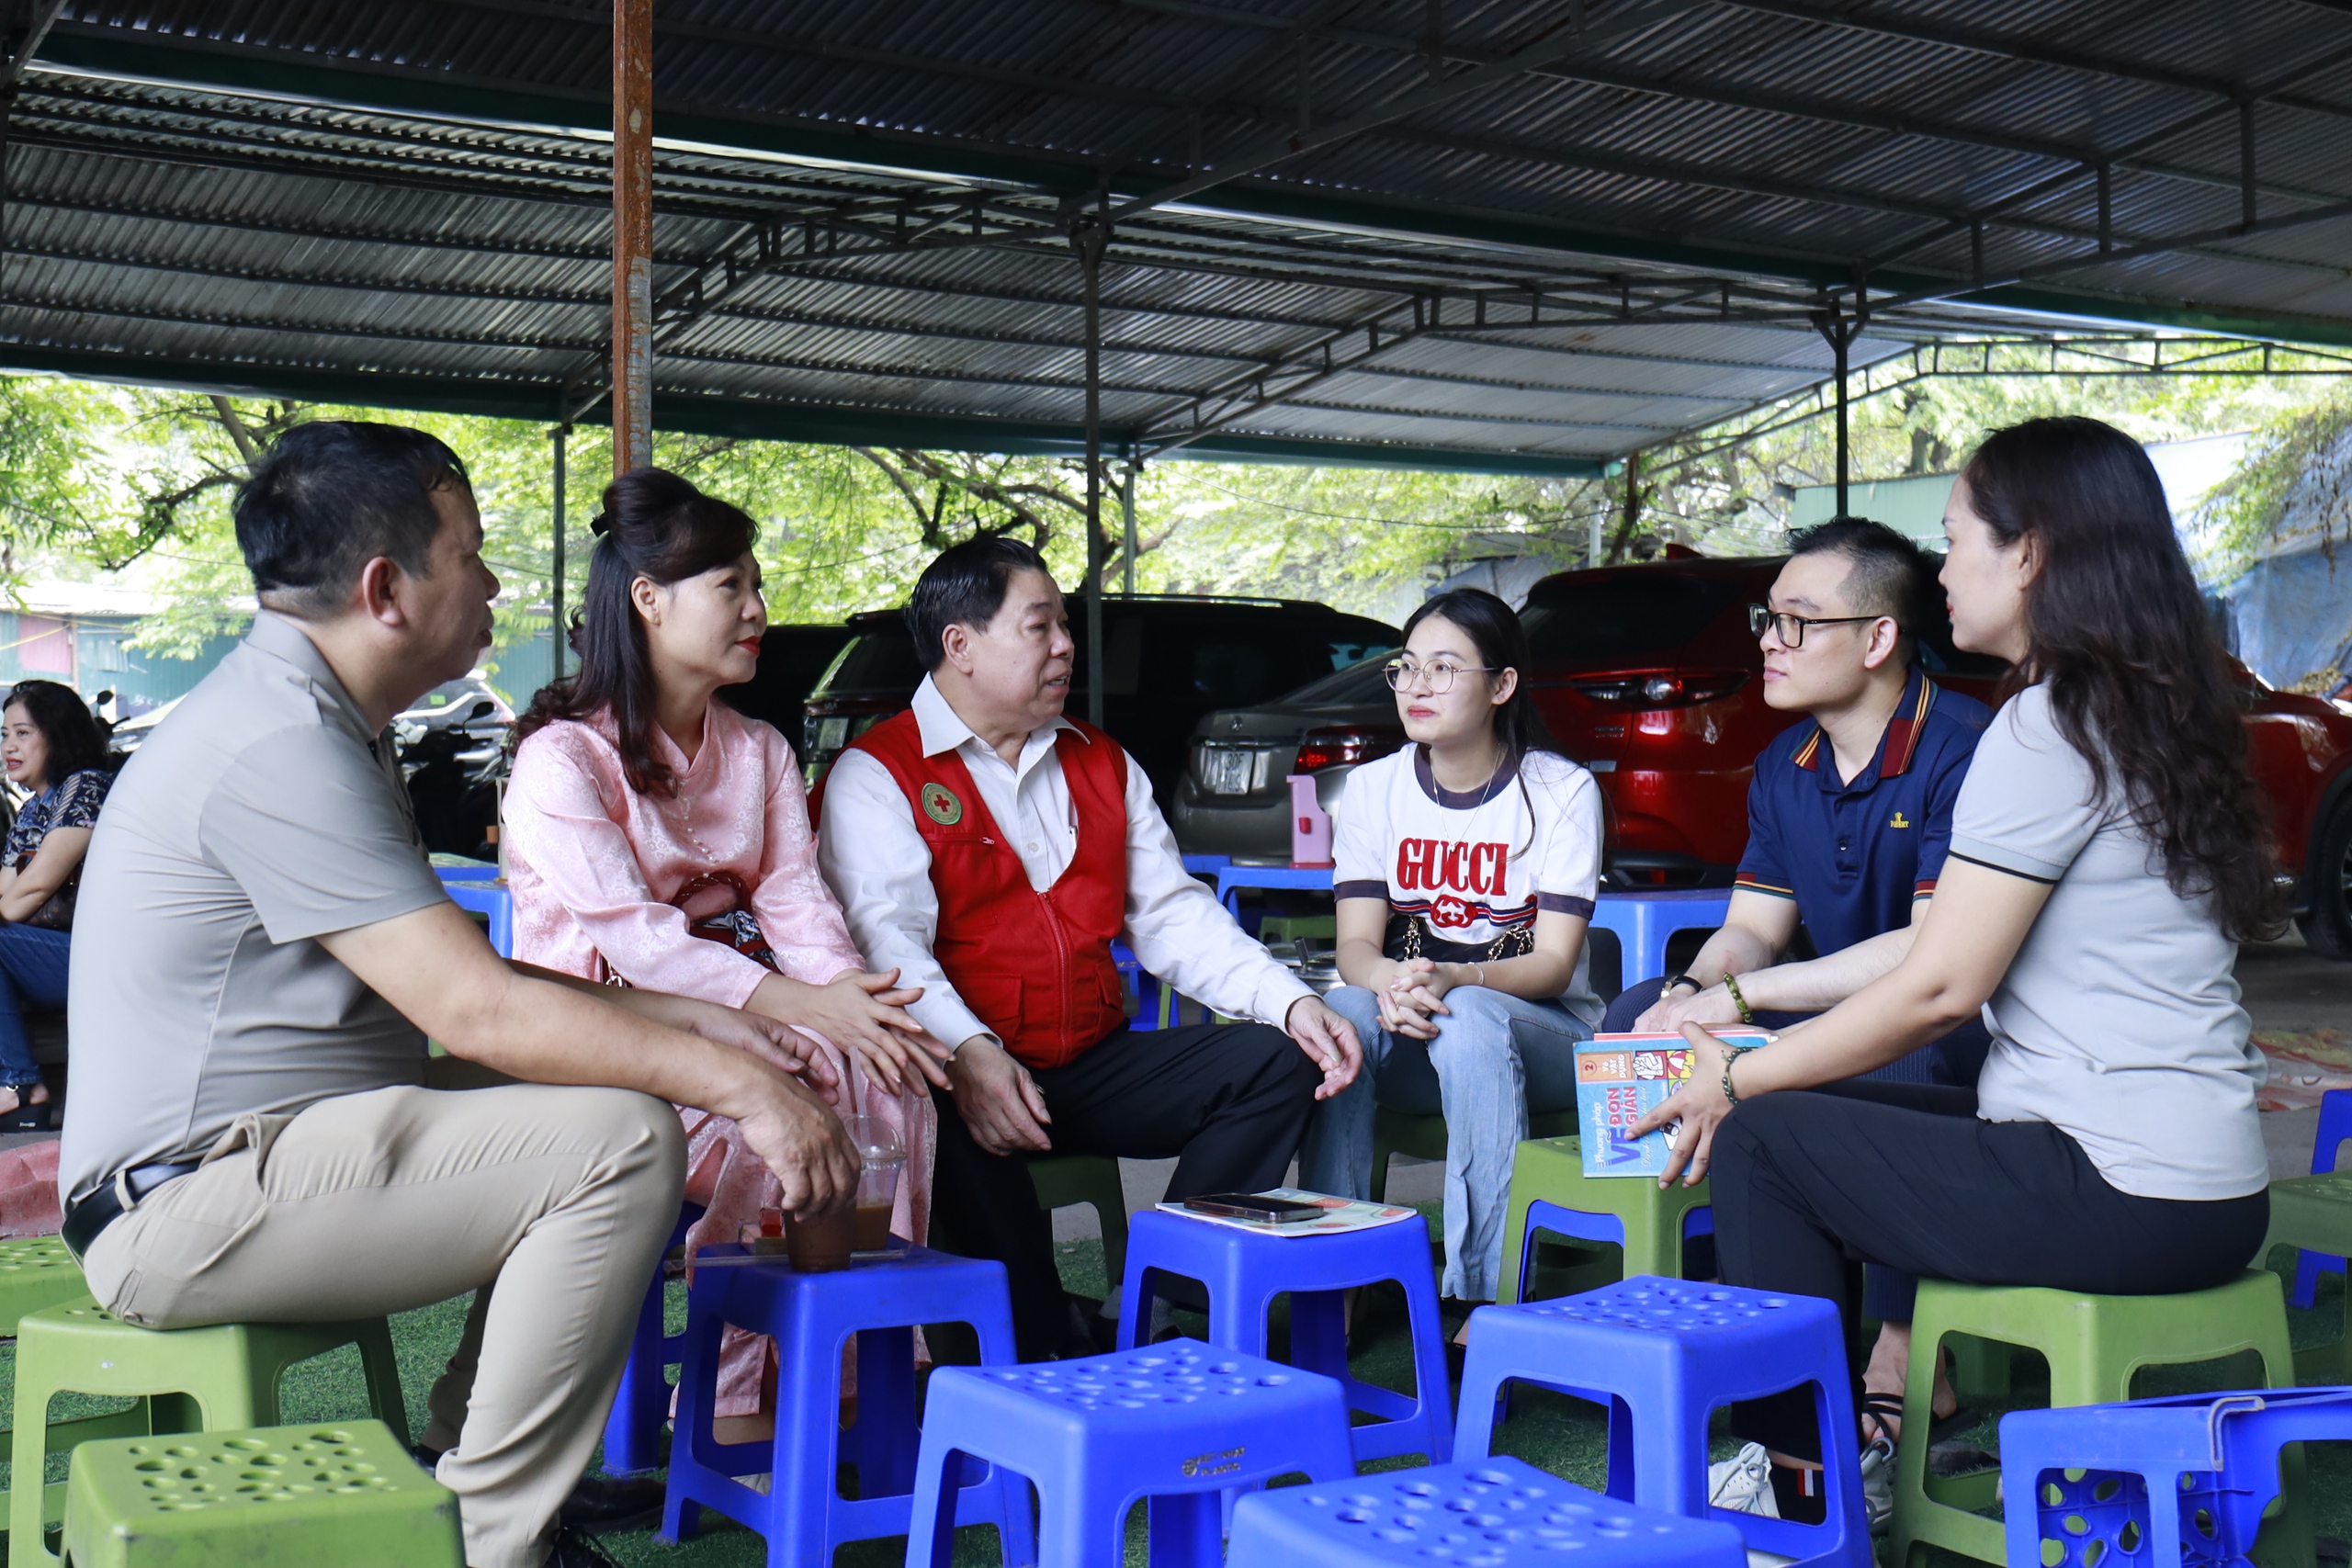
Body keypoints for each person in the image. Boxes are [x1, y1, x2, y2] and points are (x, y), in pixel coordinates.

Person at [61, 422, 863, 1568]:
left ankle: (455, 1470)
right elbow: (474, 1014)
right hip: (186, 1204)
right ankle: (493, 1539)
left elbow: (469, 983)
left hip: (275, 1151)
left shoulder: (325, 719)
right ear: (388, 590)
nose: (495, 584)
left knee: (578, 1114)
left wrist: (692, 1018)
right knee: (621, 1138)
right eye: (473, 555)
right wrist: (746, 1086)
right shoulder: (279, 741)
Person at [1630, 416, 2279, 1525]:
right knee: (1804, 1101)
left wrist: (1736, 1076)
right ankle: (1850, 1434)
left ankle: (1810, 1492)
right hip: (2206, 1182)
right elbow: (1935, 960)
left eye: (1955, 538)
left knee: (1767, 1135)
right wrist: (1741, 1008)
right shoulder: (2149, 709)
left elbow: (1940, 985)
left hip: (2116, 1181)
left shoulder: (2044, 725)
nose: (1939, 569)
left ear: (2028, 555)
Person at [815, 536, 1363, 1360]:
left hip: (1086, 1064)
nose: (1066, 646)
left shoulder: (1100, 760)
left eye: (1063, 626)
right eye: (1039, 627)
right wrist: (970, 1055)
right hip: (968, 1074)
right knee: (923, 1101)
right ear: (960, 645)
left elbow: (1174, 916)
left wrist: (1289, 998)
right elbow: (887, 947)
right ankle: (1028, 1342)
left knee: (1274, 1060)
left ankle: (1159, 1299)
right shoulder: (878, 772)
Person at [504, 466, 942, 1428]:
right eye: (731, 587)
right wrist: (804, 1009)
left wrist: (848, 1002)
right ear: (648, 600)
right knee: (792, 1096)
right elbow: (641, 941)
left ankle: (849, 1367)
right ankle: (737, 1398)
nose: (758, 609)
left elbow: (795, 900)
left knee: (890, 1067)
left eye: (756, 585)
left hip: (737, 1026)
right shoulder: (561, 760)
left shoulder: (758, 750)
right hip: (605, 1053)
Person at [1602, 518, 1993, 1438]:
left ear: (1877, 638)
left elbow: (1933, 957)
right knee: (1632, 1014)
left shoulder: (1964, 748)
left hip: (1956, 1022)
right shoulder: (1786, 765)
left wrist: (1742, 997)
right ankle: (1701, 1303)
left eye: (1796, 623)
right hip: (1827, 1007)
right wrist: (1689, 992)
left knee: (1907, 1052)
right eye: (1766, 620)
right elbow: (1751, 929)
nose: (1769, 645)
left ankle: (1905, 1349)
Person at [1297, 588, 1605, 1308]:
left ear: (1502, 686)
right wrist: (1390, 983)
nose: (1417, 686)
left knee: (1468, 1014)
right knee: (1342, 1009)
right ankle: (1329, 1275)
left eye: (1443, 668)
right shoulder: (1372, 789)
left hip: (1547, 1036)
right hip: (1416, 1025)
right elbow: (1354, 948)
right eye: (1406, 668)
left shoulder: (1561, 790)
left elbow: (1555, 962)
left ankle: (1484, 1295)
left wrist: (1456, 975)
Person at [0, 679, 116, 1127]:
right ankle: (21, 1088)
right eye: (5, 734)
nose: (9, 745)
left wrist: (11, 902)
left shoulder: (85, 788)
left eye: (23, 733)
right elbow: (7, 889)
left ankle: (20, 1085)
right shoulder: (32, 810)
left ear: (59, 733)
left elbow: (31, 890)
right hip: (54, 954)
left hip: (101, 957)